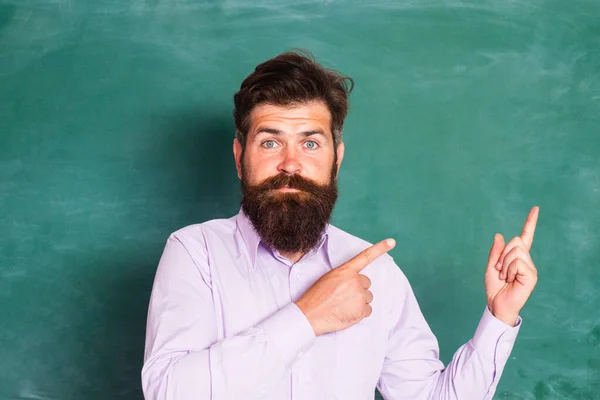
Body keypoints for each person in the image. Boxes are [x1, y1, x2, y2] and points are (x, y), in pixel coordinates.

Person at [141, 51, 540, 400]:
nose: (291, 164)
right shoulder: (196, 254)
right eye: (270, 142)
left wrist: (499, 317)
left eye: (311, 143)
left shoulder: (376, 270)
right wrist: (306, 318)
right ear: (238, 155)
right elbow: (169, 391)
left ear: (337, 158)